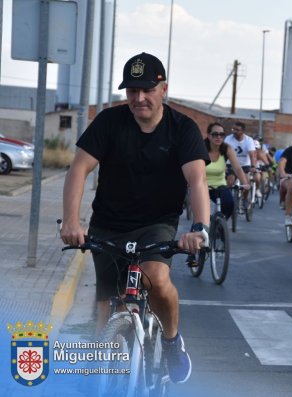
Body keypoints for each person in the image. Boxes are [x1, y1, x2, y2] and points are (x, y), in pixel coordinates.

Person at [60, 52, 209, 383]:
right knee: (105, 313)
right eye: (131, 91)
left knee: (156, 278)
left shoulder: (182, 129)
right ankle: (104, 378)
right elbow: (79, 169)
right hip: (109, 223)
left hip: (156, 223)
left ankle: (171, 342)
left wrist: (199, 228)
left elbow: (196, 180)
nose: (139, 98)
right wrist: (71, 221)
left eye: (147, 90)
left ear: (163, 89)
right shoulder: (110, 122)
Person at [205, 122, 249, 218]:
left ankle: (220, 227)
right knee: (202, 218)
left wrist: (245, 183)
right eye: (215, 134)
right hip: (202, 186)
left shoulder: (226, 149)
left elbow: (237, 168)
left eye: (221, 134)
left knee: (229, 205)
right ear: (208, 136)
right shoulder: (201, 148)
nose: (218, 137)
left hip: (220, 186)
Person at [224, 122, 260, 207]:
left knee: (246, 184)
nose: (234, 131)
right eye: (233, 129)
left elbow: (252, 155)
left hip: (244, 165)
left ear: (243, 131)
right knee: (230, 181)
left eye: (237, 130)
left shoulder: (249, 140)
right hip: (231, 164)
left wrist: (253, 166)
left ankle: (244, 198)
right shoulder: (228, 139)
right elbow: (223, 153)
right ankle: (228, 200)